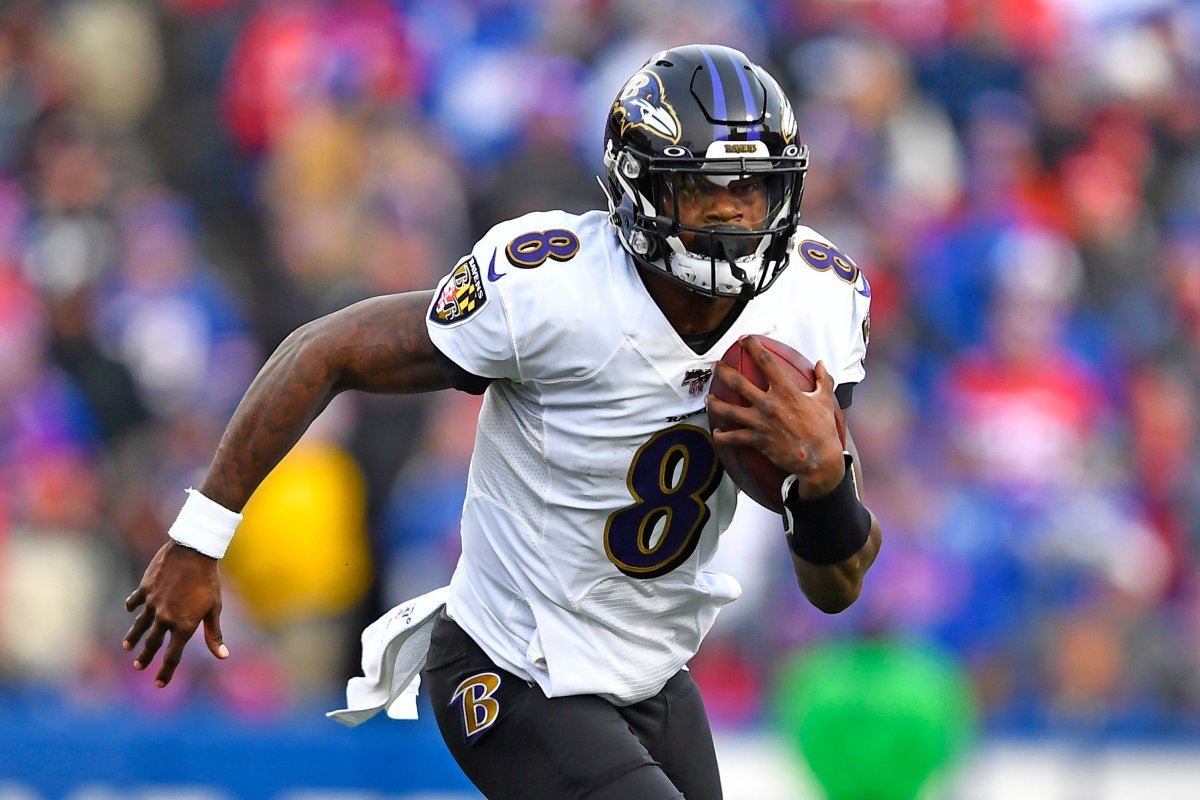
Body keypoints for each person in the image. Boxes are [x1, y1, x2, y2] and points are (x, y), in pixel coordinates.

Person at [123, 44, 882, 800]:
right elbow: (324, 351)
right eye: (704, 187)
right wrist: (200, 536)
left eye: (752, 187)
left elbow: (836, 585)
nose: (732, 211)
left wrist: (822, 485)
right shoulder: (549, 286)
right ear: (641, 187)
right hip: (513, 664)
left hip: (652, 676)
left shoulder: (815, 301)